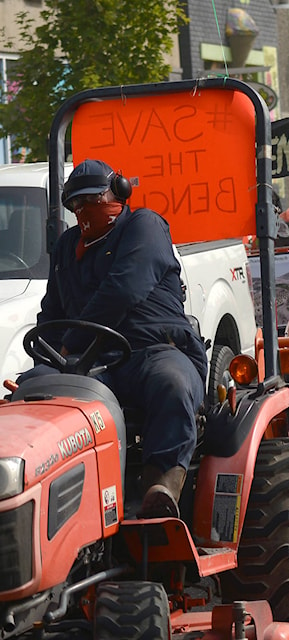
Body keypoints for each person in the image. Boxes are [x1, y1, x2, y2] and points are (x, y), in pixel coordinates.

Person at [20, 159, 207, 519]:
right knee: (34, 388)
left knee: (171, 382)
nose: (84, 210)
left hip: (154, 349)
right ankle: (44, 499)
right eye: (76, 205)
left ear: (119, 193)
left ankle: (161, 485)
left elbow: (123, 289)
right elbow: (52, 314)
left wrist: (70, 342)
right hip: (91, 365)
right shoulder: (65, 249)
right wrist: (48, 359)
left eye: (92, 199)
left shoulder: (144, 226)